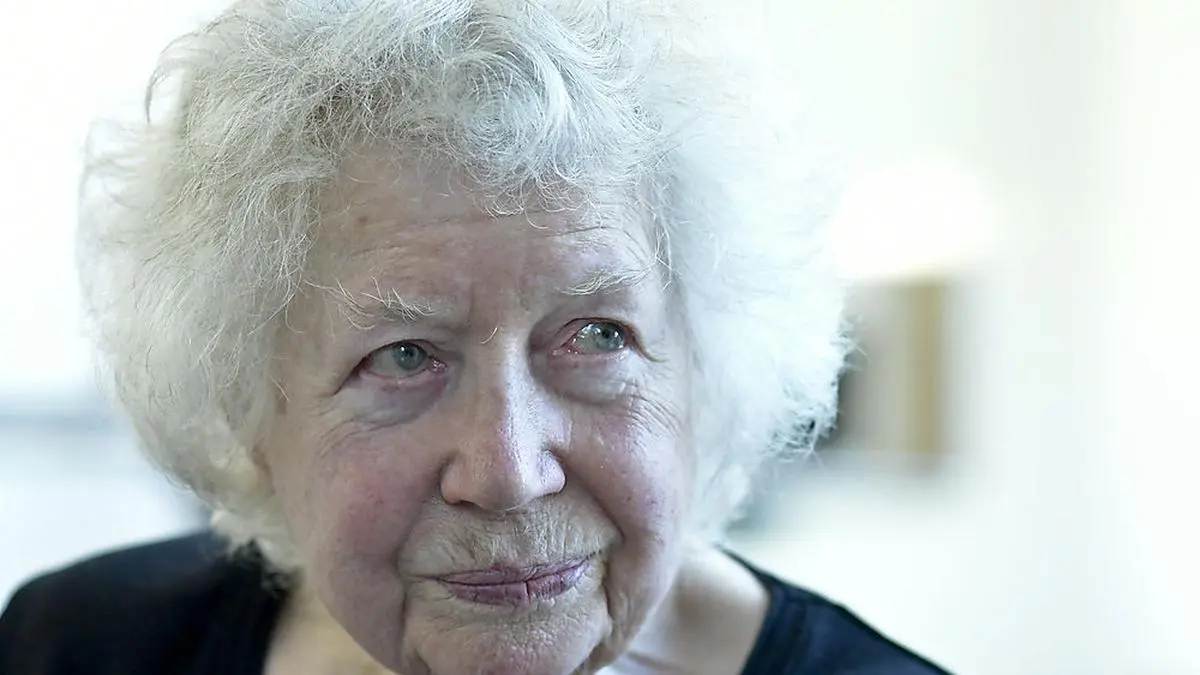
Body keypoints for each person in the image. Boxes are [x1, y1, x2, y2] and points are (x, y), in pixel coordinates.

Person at [0, 1, 950, 673]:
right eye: (404, 356)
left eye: (596, 336)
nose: (507, 471)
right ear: (251, 412)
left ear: (706, 371)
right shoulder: (79, 645)